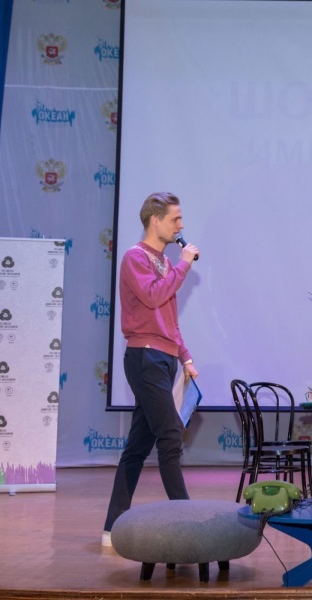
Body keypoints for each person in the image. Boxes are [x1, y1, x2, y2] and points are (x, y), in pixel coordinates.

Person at [101, 192, 200, 547]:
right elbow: (154, 297)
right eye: (175, 219)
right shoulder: (135, 257)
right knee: (170, 435)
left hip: (164, 359)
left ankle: (112, 529)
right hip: (144, 357)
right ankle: (189, 526)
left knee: (138, 446)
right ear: (155, 220)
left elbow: (169, 317)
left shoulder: (163, 262)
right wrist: (184, 265)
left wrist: (185, 358)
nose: (181, 226)